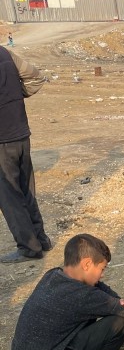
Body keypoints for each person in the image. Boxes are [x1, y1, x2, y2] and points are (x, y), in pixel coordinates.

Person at [0, 45, 52, 263]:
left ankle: (30, 248)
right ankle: (41, 239)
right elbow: (36, 78)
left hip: (2, 140)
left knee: (10, 197)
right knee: (26, 190)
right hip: (21, 134)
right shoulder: (5, 52)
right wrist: (14, 98)